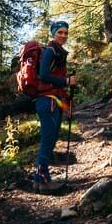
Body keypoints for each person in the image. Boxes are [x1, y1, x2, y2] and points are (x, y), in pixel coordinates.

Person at [31, 21, 77, 191]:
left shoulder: (58, 52)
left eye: (66, 33)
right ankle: (43, 178)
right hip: (47, 101)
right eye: (60, 32)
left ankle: (39, 180)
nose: (63, 36)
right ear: (53, 34)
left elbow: (57, 84)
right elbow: (43, 75)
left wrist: (68, 105)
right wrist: (66, 81)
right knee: (47, 139)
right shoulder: (50, 51)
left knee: (50, 139)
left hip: (53, 100)